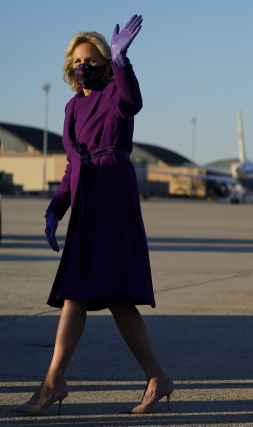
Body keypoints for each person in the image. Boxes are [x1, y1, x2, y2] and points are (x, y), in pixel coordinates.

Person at [11, 15, 173, 415]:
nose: (84, 65)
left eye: (94, 58)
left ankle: (147, 378)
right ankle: (59, 381)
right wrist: (55, 209)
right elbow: (72, 164)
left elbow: (133, 102)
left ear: (105, 61)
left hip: (112, 194)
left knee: (108, 292)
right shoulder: (71, 106)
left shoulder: (115, 94)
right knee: (78, 294)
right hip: (85, 196)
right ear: (71, 67)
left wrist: (122, 62)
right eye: (78, 60)